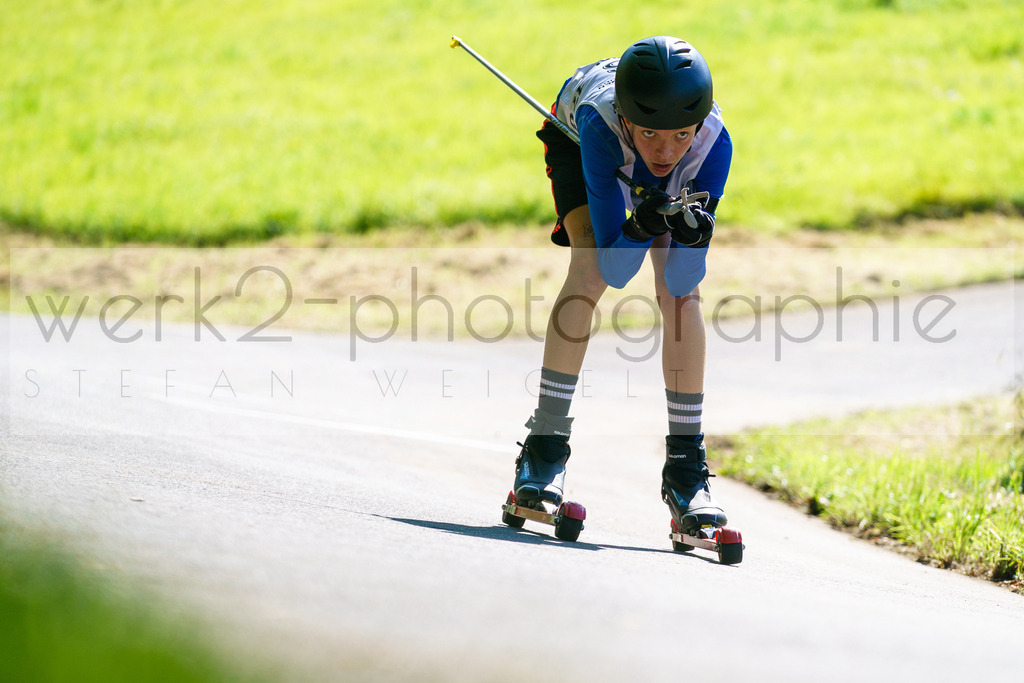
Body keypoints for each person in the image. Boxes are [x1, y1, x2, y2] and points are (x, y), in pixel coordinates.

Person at [511, 36, 733, 535]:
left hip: (641, 145)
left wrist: (694, 238)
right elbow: (615, 270)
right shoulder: (601, 125)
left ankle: (685, 469)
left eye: (680, 135)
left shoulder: (712, 144)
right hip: (581, 142)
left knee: (681, 297)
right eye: (652, 133)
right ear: (631, 118)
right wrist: (636, 228)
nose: (665, 150)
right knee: (589, 272)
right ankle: (543, 449)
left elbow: (679, 278)